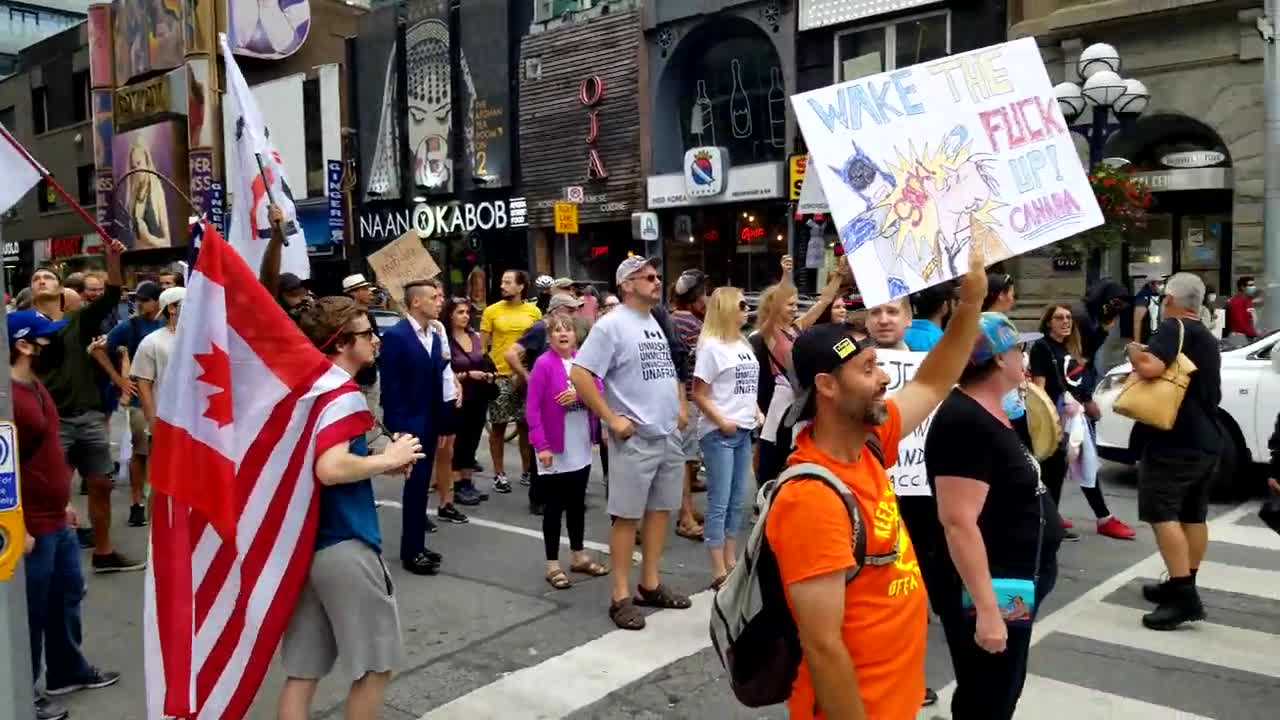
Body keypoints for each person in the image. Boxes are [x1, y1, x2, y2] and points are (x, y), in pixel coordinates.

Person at [765, 246, 986, 720]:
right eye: (867, 369)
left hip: (896, 701)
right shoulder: (811, 498)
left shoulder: (869, 444)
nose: (885, 377)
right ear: (826, 387)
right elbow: (823, 648)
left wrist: (970, 305)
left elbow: (932, 380)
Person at [278, 297, 425, 720]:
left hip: (309, 542)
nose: (376, 340)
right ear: (341, 342)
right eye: (366, 333)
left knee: (303, 673)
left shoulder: (304, 389)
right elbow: (330, 467)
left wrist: (374, 463)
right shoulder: (341, 393)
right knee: (377, 667)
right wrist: (388, 459)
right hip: (345, 541)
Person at [924, 312, 1063, 720]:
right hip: (994, 588)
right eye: (1018, 349)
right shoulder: (964, 421)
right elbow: (958, 521)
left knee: (1001, 687)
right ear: (1000, 360)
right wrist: (988, 611)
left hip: (1014, 580)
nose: (1024, 357)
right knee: (989, 693)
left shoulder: (994, 410)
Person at [571, 256, 692, 630]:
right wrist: (611, 419)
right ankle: (620, 595)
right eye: (648, 277)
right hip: (635, 437)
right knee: (626, 517)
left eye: (657, 276)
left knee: (660, 513)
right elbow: (580, 374)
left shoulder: (655, 321)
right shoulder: (610, 326)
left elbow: (670, 368)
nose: (657, 282)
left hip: (667, 435)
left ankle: (649, 584)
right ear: (627, 285)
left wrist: (680, 406)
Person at [11, 311, 121, 720]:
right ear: (24, 345)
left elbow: (47, 454)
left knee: (67, 595)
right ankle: (27, 690)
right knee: (32, 611)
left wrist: (63, 502)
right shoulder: (8, 397)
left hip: (55, 518)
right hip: (31, 526)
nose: (54, 344)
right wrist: (17, 524)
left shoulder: (35, 386)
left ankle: (66, 669)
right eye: (46, 338)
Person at [31, 239, 144, 573]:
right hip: (49, 421)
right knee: (51, 493)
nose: (41, 281)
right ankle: (52, 558)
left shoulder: (77, 321)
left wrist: (112, 259)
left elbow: (110, 296)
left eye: (47, 277)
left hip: (89, 416)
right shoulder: (18, 327)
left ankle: (104, 552)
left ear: (61, 289)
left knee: (101, 484)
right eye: (36, 279)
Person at [1129, 273, 1223, 630]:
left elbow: (1151, 367)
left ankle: (1183, 597)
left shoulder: (1172, 327)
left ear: (1169, 299)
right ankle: (1182, 581)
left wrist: (1134, 353)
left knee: (1161, 512)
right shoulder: (1206, 336)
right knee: (1193, 515)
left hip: (1175, 440)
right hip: (1206, 439)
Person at [1030, 304, 1136, 541]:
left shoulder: (1069, 347)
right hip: (1059, 418)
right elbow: (1039, 387)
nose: (1065, 322)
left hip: (1075, 418)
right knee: (1057, 472)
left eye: (1068, 318)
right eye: (1059, 318)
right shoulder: (1042, 347)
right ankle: (1053, 522)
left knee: (1078, 466)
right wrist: (1049, 420)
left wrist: (1086, 405)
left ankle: (1057, 518)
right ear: (1048, 322)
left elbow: (1078, 376)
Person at [526, 314, 610, 590]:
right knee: (553, 507)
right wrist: (542, 445)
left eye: (568, 330)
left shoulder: (582, 362)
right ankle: (552, 564)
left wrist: (580, 395)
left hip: (580, 445)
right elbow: (532, 409)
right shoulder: (543, 364)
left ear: (576, 335)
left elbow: (598, 390)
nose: (563, 334)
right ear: (549, 337)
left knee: (576, 504)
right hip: (554, 447)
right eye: (557, 331)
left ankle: (578, 555)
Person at [751, 257, 846, 487]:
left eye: (795, 304)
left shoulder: (796, 328)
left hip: (799, 396)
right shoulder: (768, 332)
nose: (794, 308)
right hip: (779, 399)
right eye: (789, 304)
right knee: (772, 448)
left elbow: (823, 302)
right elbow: (773, 308)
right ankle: (766, 492)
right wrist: (785, 276)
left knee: (794, 447)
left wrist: (839, 275)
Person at [379, 280, 453, 573]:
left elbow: (439, 381)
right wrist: (396, 429)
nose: (440, 302)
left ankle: (418, 544)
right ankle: (411, 552)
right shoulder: (397, 336)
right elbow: (391, 385)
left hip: (431, 420)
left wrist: (444, 421)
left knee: (421, 487)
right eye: (434, 298)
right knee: (415, 486)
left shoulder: (434, 336)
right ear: (415, 303)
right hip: (409, 423)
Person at [691, 287, 759, 588]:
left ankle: (731, 559)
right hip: (720, 432)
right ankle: (718, 568)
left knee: (737, 499)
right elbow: (699, 393)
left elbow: (746, 386)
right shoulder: (711, 347)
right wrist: (722, 420)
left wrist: (756, 410)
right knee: (719, 501)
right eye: (742, 304)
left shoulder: (743, 343)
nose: (747, 309)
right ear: (728, 308)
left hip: (744, 428)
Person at [506, 293, 591, 515]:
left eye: (576, 310)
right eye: (570, 310)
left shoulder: (573, 337)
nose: (575, 314)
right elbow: (511, 354)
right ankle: (539, 499)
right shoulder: (539, 329)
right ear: (555, 311)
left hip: (567, 401)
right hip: (543, 394)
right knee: (542, 445)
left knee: (564, 445)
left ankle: (564, 497)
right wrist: (527, 376)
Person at [104, 281, 165, 527]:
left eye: (145, 299)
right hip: (141, 399)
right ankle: (137, 502)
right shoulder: (129, 326)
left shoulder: (167, 325)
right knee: (141, 452)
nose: (140, 303)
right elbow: (100, 349)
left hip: (166, 398)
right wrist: (119, 379)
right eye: (137, 299)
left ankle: (157, 500)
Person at [480, 270, 542, 493]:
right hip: (501, 376)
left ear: (521, 287)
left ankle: (527, 470)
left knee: (526, 425)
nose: (503, 286)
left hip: (527, 376)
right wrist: (488, 374)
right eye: (502, 282)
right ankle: (499, 473)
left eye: (508, 282)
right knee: (498, 426)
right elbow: (482, 348)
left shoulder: (534, 312)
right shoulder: (491, 311)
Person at [130, 287, 186, 527]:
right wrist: (154, 423)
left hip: (199, 427)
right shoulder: (152, 342)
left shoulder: (205, 337)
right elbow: (143, 385)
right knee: (162, 487)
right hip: (167, 425)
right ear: (171, 308)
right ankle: (156, 541)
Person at [671, 270, 710, 541]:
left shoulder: (676, 318)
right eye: (704, 294)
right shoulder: (691, 323)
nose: (707, 299)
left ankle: (687, 510)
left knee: (685, 459)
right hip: (686, 397)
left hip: (680, 397)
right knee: (685, 460)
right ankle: (685, 516)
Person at [445, 296, 493, 506]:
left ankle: (467, 481)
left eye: (466, 312)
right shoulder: (444, 339)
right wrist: (467, 375)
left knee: (472, 440)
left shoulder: (474, 336)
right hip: (457, 397)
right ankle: (455, 485)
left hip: (479, 396)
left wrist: (487, 374)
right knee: (459, 441)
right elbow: (445, 371)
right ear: (450, 315)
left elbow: (483, 361)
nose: (464, 316)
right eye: (459, 312)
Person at [343, 273, 383, 415]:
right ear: (353, 293)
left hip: (371, 378)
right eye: (365, 289)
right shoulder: (345, 319)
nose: (370, 293)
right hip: (355, 381)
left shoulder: (370, 315)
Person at [905, 282, 957, 351]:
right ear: (944, 306)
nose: (956, 307)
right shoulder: (943, 343)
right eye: (954, 303)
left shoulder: (899, 335)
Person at [1129, 277, 1165, 343]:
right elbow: (1137, 322)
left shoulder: (1158, 295)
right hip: (1147, 338)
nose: (1163, 286)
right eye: (1159, 283)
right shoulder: (1143, 297)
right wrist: (1137, 343)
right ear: (1151, 284)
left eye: (1163, 283)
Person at [1225, 275, 1259, 340]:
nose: (1254, 287)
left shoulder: (1248, 301)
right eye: (1250, 285)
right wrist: (1254, 334)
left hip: (1248, 336)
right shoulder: (1236, 302)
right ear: (1243, 287)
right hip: (1240, 337)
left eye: (1253, 285)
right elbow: (1240, 323)